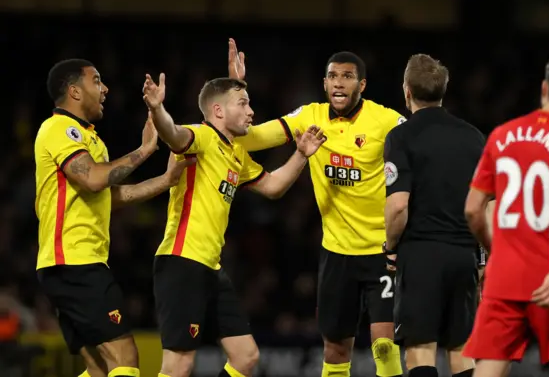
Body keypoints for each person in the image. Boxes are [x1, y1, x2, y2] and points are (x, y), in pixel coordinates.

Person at [228, 39, 405, 377]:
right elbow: (249, 138)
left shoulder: (385, 121)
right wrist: (237, 92)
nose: (339, 82)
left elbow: (423, 149)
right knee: (336, 349)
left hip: (384, 251)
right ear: (324, 83)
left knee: (384, 346)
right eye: (333, 76)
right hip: (336, 253)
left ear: (362, 85)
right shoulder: (308, 117)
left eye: (348, 76)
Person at [142, 74, 326, 377]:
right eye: (243, 104)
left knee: (246, 356)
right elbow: (173, 134)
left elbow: (273, 187)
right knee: (180, 364)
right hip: (182, 261)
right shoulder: (200, 137)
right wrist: (158, 109)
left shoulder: (237, 154)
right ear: (218, 112)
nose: (252, 111)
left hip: (211, 268)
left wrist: (301, 154)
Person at [35, 59, 192, 377]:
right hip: (75, 262)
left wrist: (165, 180)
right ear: (75, 91)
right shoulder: (59, 129)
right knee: (125, 357)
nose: (105, 88)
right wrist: (145, 150)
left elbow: (109, 197)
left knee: (98, 370)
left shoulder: (91, 140)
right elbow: (93, 178)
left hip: (71, 264)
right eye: (97, 81)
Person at [463, 53, 549, 377]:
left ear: (544, 88)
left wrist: (496, 251)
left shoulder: (501, 135)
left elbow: (472, 208)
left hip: (505, 278)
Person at [382, 54, 486, 377]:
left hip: (421, 255)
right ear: (443, 90)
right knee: (461, 350)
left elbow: (398, 205)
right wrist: (483, 257)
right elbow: (486, 205)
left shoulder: (401, 137)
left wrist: (390, 246)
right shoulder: (474, 138)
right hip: (464, 255)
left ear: (407, 91)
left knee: (421, 350)